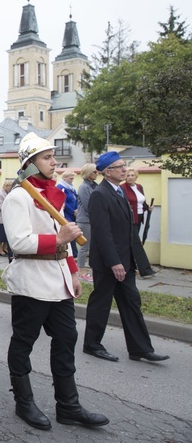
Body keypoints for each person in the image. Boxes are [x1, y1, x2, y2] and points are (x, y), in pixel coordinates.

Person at [2, 133, 108, 431]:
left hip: (59, 279)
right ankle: (24, 403)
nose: (54, 162)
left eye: (53, 156)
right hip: (31, 281)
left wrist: (72, 271)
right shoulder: (18, 197)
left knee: (66, 340)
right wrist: (58, 239)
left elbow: (67, 239)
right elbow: (19, 242)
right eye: (47, 157)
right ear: (30, 163)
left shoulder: (52, 194)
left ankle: (68, 406)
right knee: (24, 342)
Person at [83, 151, 169, 364]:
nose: (125, 169)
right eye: (120, 166)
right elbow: (103, 233)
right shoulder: (99, 194)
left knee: (132, 303)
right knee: (101, 304)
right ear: (108, 171)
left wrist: (135, 261)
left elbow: (127, 230)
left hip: (125, 261)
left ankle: (140, 348)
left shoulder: (120, 191)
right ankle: (92, 344)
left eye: (124, 165)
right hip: (108, 263)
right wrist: (114, 262)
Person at [120, 167, 155, 277]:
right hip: (129, 219)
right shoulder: (122, 188)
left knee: (131, 244)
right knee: (136, 244)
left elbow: (141, 202)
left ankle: (128, 267)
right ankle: (145, 270)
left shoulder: (139, 187)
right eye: (128, 175)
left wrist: (148, 208)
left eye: (132, 175)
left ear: (136, 176)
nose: (130, 177)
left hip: (139, 218)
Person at [75, 163, 99, 281]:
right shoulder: (84, 187)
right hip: (85, 220)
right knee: (84, 246)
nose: (97, 173)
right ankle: (81, 270)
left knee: (91, 246)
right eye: (94, 172)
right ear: (89, 173)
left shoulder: (94, 185)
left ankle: (87, 269)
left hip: (92, 220)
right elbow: (88, 205)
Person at [56, 170, 79, 261]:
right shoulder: (61, 187)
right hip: (66, 214)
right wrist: (72, 210)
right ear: (64, 178)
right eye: (70, 178)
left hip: (73, 214)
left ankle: (73, 254)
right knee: (70, 233)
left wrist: (77, 209)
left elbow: (75, 199)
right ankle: (72, 255)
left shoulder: (71, 188)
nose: (72, 180)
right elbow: (63, 202)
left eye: (73, 178)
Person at [0, 179, 13, 257]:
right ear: (6, 186)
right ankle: (0, 250)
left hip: (6, 219)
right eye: (10, 187)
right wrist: (10, 206)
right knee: (0, 236)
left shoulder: (7, 193)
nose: (11, 188)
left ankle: (5, 248)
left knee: (6, 235)